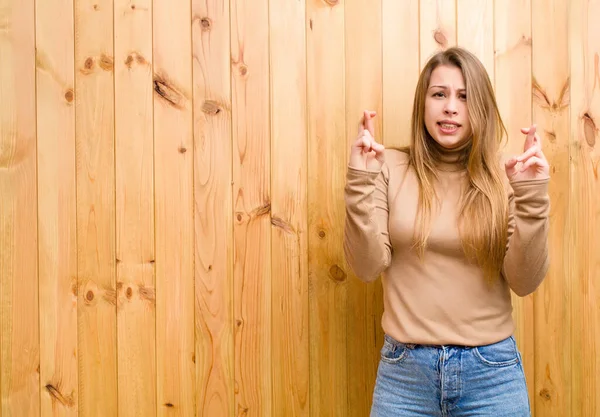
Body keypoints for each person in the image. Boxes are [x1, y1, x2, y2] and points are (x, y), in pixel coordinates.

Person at [343, 47, 549, 416]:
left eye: (464, 97)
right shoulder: (388, 166)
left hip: (492, 376)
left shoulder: (507, 177)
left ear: (480, 107)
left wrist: (531, 198)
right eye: (439, 94)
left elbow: (524, 280)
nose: (450, 107)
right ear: (423, 104)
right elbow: (366, 266)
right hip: (404, 376)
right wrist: (360, 181)